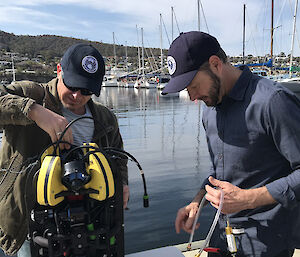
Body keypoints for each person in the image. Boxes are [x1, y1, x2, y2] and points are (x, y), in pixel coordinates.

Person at [162, 31, 300, 257]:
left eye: (194, 86)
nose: (193, 97)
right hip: (221, 239)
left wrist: (248, 199)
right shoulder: (210, 113)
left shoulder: (272, 102)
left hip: (268, 244)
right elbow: (219, 173)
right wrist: (197, 202)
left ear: (215, 64)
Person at [0, 43, 129, 256]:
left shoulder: (105, 118)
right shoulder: (30, 94)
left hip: (89, 225)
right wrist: (33, 111)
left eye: (86, 90)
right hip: (27, 226)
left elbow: (118, 156)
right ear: (59, 70)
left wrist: (122, 182)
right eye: (72, 85)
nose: (78, 96)